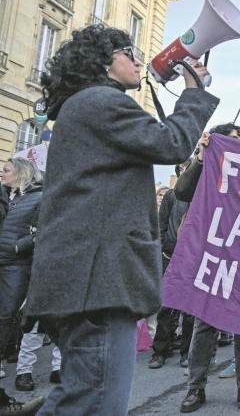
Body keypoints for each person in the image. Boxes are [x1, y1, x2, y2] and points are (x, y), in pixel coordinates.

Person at [24, 24, 219, 415]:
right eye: (128, 52)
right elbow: (172, 144)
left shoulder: (83, 105)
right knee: (98, 400)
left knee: (81, 392)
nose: (138, 61)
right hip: (99, 282)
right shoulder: (101, 101)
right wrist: (193, 93)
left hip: (86, 280)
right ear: (103, 61)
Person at [174, 123, 240, 413]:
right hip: (211, 256)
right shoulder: (206, 166)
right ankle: (195, 388)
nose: (238, 141)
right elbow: (182, 192)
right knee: (204, 323)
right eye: (232, 138)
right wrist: (201, 156)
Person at [0, 158, 45, 415]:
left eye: (6, 170)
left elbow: (43, 229)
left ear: (21, 173)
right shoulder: (4, 195)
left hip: (16, 265)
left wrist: (20, 246)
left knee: (6, 316)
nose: (2, 173)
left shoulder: (39, 198)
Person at [150, 160, 193, 370]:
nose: (185, 172)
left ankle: (187, 353)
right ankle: (160, 352)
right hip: (169, 256)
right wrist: (159, 252)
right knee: (165, 307)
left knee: (190, 310)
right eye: (182, 169)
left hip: (192, 259)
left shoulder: (201, 195)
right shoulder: (170, 196)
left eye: (189, 169)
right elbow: (160, 225)